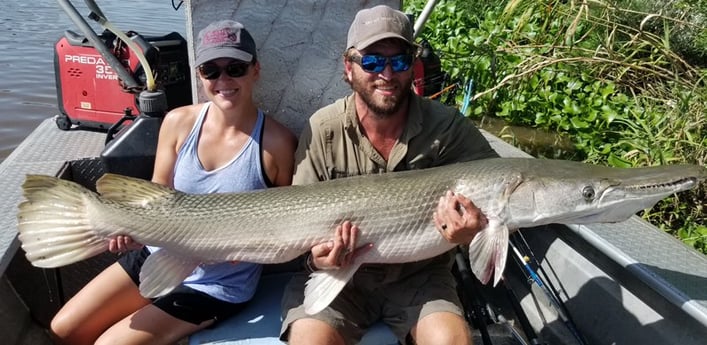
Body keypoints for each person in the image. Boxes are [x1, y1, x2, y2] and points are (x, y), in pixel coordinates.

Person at [49, 20, 297, 345]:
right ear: (199, 75)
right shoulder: (178, 123)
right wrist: (132, 233)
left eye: (235, 68)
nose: (223, 80)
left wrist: (252, 249)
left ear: (255, 70)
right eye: (211, 70)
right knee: (65, 328)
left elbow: (287, 227)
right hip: (158, 255)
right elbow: (156, 196)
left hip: (216, 286)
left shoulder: (278, 144)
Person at [279, 5, 499, 345]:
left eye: (398, 61)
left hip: (420, 276)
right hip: (340, 279)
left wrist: (473, 230)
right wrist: (317, 256)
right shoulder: (322, 129)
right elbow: (298, 223)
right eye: (371, 61)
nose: (386, 73)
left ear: (413, 66)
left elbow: (496, 188)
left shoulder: (449, 127)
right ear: (348, 68)